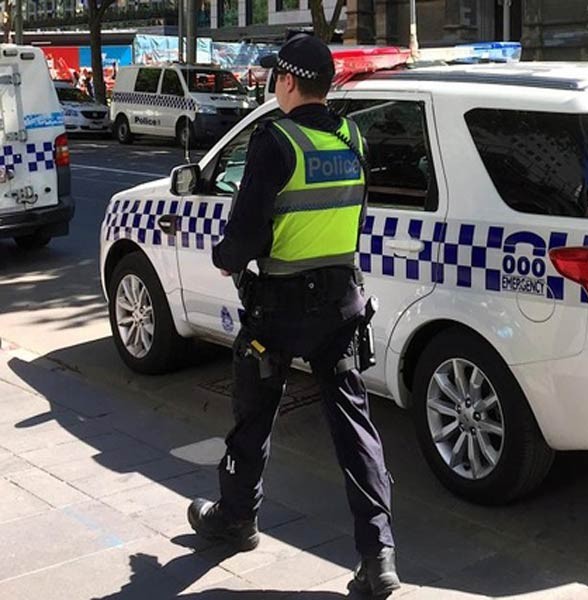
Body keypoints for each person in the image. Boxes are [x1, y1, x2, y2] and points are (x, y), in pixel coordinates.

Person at [187, 34, 400, 597]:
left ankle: (236, 519)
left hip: (278, 307)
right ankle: (378, 558)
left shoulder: (275, 140)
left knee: (253, 416)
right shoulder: (353, 136)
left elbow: (246, 232)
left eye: (270, 78)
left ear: (286, 81)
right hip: (340, 304)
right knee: (355, 427)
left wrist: (226, 258)